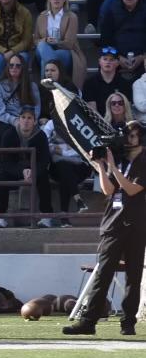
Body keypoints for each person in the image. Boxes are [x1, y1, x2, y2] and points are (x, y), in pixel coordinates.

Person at [63, 121, 146, 335]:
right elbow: (109, 190)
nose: (128, 139)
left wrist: (114, 167)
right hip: (114, 224)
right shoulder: (118, 159)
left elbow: (132, 189)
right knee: (103, 274)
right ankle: (88, 322)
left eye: (133, 135)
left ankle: (128, 323)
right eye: (127, 134)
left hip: (137, 225)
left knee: (133, 277)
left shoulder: (143, 160)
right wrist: (101, 164)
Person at [0, 106, 54, 228]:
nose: (26, 121)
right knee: (2, 178)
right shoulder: (9, 134)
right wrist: (22, 172)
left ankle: (46, 216)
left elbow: (44, 160)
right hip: (15, 169)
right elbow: (5, 162)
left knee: (44, 178)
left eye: (29, 118)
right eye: (23, 117)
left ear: (35, 121)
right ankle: (0, 216)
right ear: (19, 119)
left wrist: (33, 171)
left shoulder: (41, 136)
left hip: (34, 169)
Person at [33, 0, 87, 88]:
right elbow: (36, 40)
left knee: (45, 60)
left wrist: (56, 42)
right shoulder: (41, 16)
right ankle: (57, 82)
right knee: (43, 46)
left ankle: (45, 90)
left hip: (65, 50)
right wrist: (46, 40)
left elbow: (69, 43)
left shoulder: (72, 17)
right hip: (43, 49)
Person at [0, 54, 41, 153]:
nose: (14, 68)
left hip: (26, 122)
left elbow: (36, 110)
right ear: (7, 67)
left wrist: (26, 121)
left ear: (23, 68)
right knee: (9, 133)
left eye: (18, 65)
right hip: (4, 123)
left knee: (40, 135)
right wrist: (16, 121)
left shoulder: (32, 87)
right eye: (11, 65)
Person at [99, 0, 146, 80]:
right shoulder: (111, 12)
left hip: (142, 57)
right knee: (107, 61)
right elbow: (105, 40)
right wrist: (118, 58)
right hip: (116, 57)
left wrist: (142, 57)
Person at [83, 47, 134, 116]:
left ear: (117, 63)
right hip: (98, 124)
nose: (108, 62)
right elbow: (92, 112)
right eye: (105, 59)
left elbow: (127, 109)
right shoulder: (89, 83)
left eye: (111, 60)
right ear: (99, 61)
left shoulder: (125, 84)